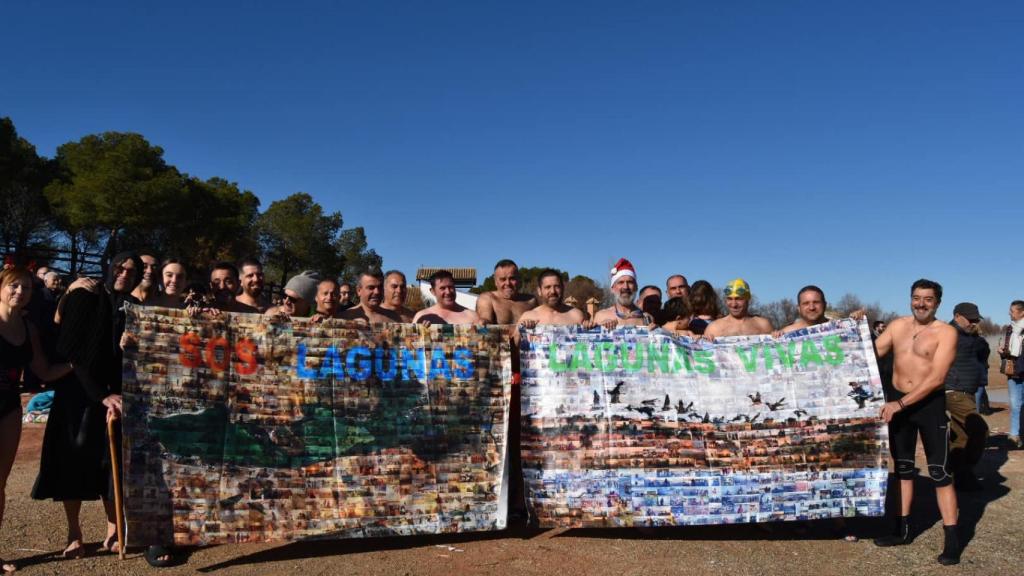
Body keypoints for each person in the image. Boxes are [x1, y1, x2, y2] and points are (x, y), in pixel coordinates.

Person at [33, 252, 142, 561]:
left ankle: (112, 529)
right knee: (72, 462)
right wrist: (98, 394)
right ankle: (74, 532)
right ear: (110, 267)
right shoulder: (86, 292)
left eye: (131, 271)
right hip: (78, 392)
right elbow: (71, 350)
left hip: (111, 392)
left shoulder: (131, 306)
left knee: (111, 464)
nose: (124, 274)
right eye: (120, 267)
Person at [873, 279, 960, 565]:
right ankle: (902, 529)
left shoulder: (946, 332)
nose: (921, 303)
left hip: (928, 405)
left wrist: (899, 404)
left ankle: (952, 539)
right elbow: (872, 352)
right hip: (899, 405)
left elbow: (936, 378)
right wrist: (853, 329)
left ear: (938, 302)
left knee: (939, 472)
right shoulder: (897, 326)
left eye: (928, 299)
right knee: (903, 469)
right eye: (916, 297)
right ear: (910, 298)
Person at [0, 267, 75, 574]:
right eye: (14, 286)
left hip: (8, 408)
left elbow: (43, 371)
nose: (20, 292)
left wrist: (77, 362)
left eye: (27, 288)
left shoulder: (29, 328)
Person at [943, 303, 989, 491]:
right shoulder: (949, 333)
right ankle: (963, 471)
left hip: (967, 391)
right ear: (957, 316)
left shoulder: (969, 336)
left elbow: (983, 351)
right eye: (970, 319)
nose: (974, 323)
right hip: (954, 391)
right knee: (979, 429)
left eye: (976, 320)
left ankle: (955, 474)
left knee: (961, 436)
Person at [591, 258, 651, 329]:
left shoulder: (646, 318)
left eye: (630, 282)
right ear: (612, 289)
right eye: (621, 282)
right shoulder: (601, 316)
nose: (625, 287)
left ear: (636, 287)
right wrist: (600, 327)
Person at [703, 279, 772, 338]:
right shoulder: (714, 328)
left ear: (748, 299)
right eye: (729, 299)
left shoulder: (763, 325)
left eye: (738, 299)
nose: (733, 304)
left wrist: (778, 336)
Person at [476, 259, 536, 324]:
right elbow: (485, 320)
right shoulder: (487, 299)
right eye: (503, 279)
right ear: (495, 282)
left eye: (512, 278)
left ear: (518, 279)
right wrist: (483, 322)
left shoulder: (531, 301)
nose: (507, 283)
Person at [998, 300, 1024, 448]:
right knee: (1015, 405)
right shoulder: (1009, 329)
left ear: (1022, 312)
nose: (1009, 313)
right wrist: (1003, 352)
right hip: (1013, 371)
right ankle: (1014, 435)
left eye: (1012, 310)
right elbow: (1010, 351)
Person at [518, 269, 585, 326]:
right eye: (548, 287)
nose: (553, 291)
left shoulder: (576, 316)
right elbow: (515, 340)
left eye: (557, 286)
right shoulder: (528, 317)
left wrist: (590, 326)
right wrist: (520, 328)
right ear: (539, 291)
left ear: (563, 288)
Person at [413, 270, 480, 325]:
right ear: (433, 291)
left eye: (451, 287)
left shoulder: (472, 317)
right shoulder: (421, 317)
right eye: (442, 288)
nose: (448, 292)